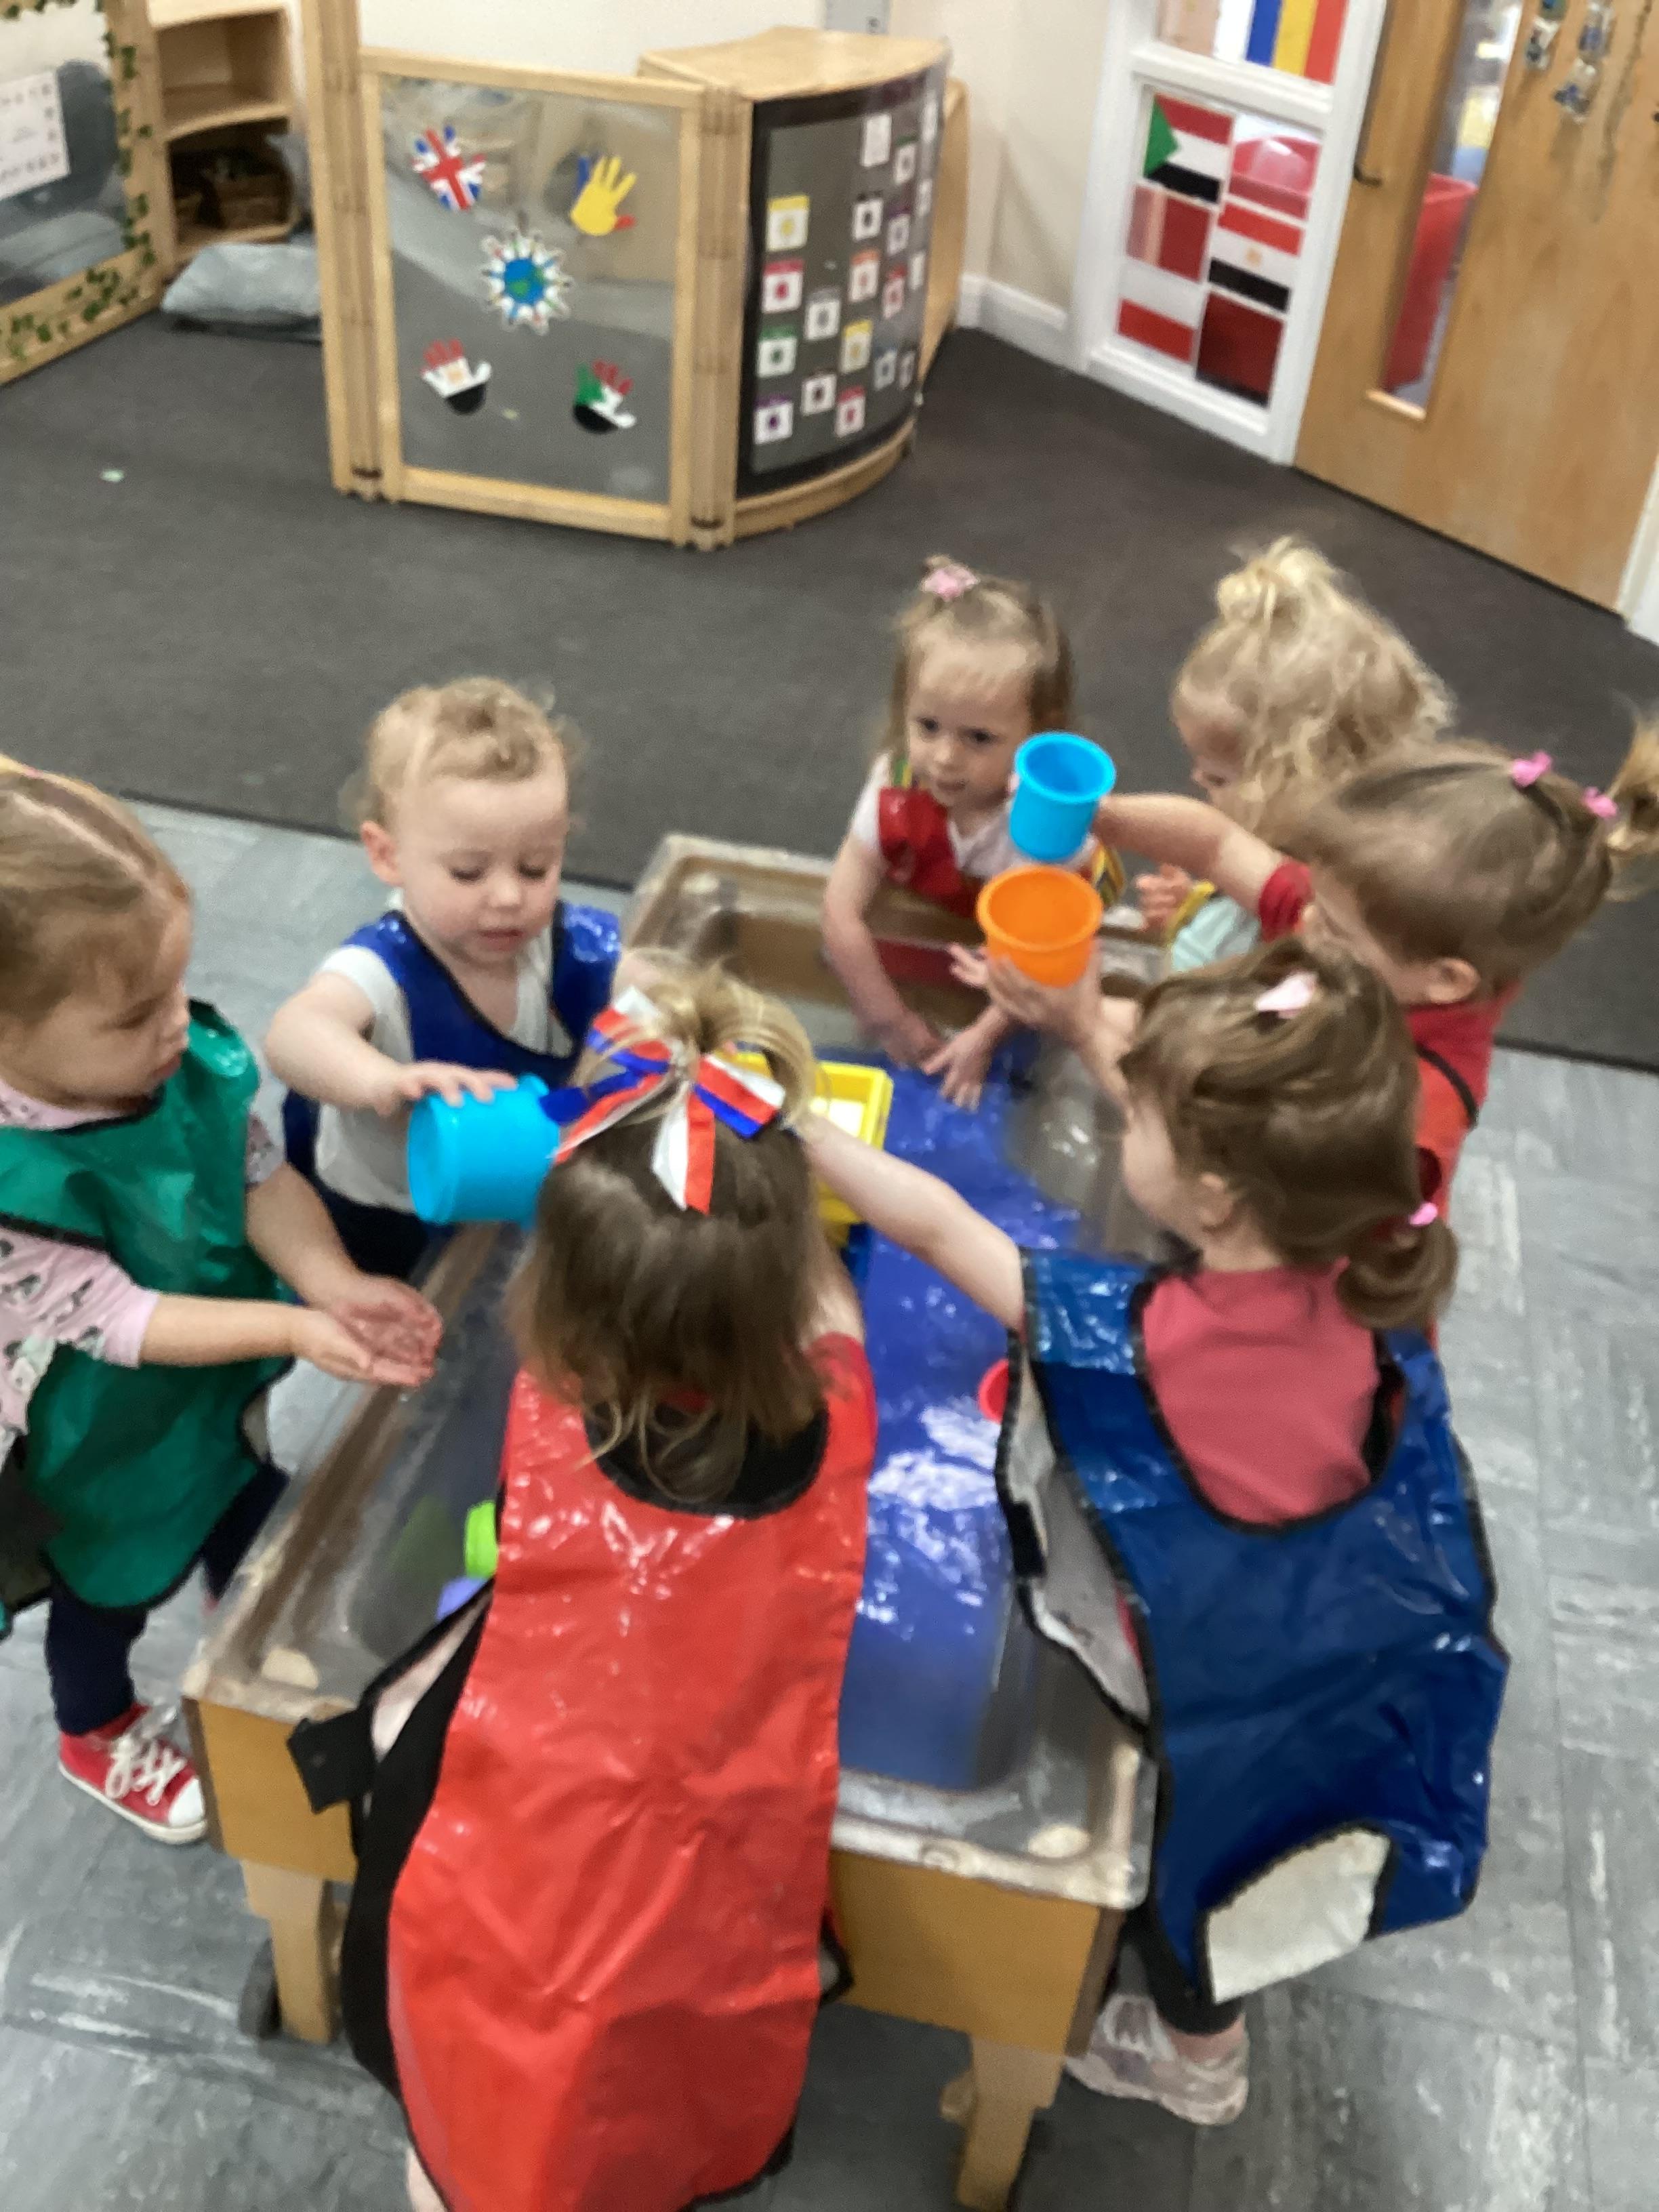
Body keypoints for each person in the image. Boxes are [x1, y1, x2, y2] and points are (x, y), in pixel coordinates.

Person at [806, 939, 1507, 2126]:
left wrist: (801, 1135)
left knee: (1206, 1887)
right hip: (1367, 1627)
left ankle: (1195, 2057)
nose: (1122, 1116)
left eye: (1139, 1118)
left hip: (1240, 1689)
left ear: (1217, 1193)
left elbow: (937, 1230)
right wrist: (1093, 1029)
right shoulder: (1359, 1248)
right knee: (1271, 1837)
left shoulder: (1159, 1338)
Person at [289, 963, 879, 2212]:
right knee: (651, 2077)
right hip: (712, 1870)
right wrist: (762, 1141)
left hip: (517, 1878)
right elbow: (819, 1279)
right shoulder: (843, 1389)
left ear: (557, 1313)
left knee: (484, 2118)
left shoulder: (552, 1406)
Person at [0, 764, 440, 1845]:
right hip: (85, 1439)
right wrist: (296, 1325)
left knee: (243, 1490)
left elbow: (256, 1178)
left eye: (176, 988)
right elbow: (120, 1319)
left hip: (198, 1391)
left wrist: (331, 1280)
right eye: (134, 1016)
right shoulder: (17, 1183)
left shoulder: (176, 1064)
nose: (174, 1030)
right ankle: (95, 1730)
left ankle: (249, 1624)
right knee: (109, 1590)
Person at [983, 729, 1659, 1213]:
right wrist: (1102, 815)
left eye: (1333, 926)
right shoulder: (1369, 941)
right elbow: (1216, 844)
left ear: (1446, 980)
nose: (1302, 920)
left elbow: (1205, 1168)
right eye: (1315, 896)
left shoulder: (1404, 1104)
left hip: (1292, 1282)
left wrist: (1080, 1026)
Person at [266, 679, 621, 1278]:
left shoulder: (560, 942)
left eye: (536, 867)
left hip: (503, 1181)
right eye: (468, 872)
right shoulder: (381, 969)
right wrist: (381, 1080)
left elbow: (650, 980)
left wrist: (680, 1017)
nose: (508, 897)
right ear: (388, 856)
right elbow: (294, 1034)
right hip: (384, 1210)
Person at [821, 556, 1124, 1110]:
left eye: (979, 738)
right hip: (929, 957)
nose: (944, 758)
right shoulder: (896, 785)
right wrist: (889, 1018)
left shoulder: (1045, 828)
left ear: (1040, 734)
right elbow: (840, 912)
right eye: (927, 726)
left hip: (1017, 982)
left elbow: (1047, 968)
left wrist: (984, 1039)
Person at [1141, 537, 1450, 972]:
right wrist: (1189, 909)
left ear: (1294, 782)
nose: (1196, 779)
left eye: (1218, 778)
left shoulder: (1326, 923)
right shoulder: (1286, 849)